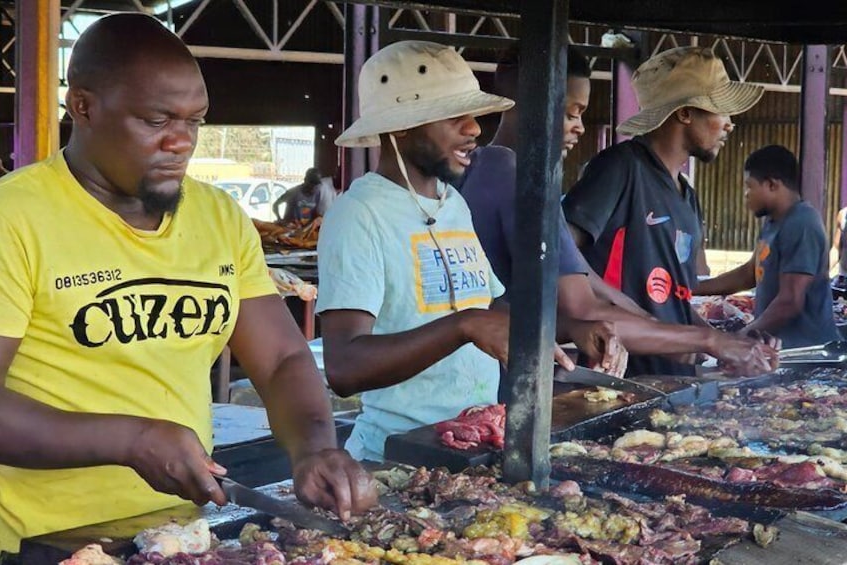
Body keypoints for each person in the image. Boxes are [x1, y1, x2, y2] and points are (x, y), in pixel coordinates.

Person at [0, 14, 374, 552]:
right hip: (46, 541)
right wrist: (132, 440)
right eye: (156, 120)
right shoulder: (15, 217)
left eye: (195, 122)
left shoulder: (218, 216)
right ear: (82, 106)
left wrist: (313, 447)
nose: (181, 142)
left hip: (181, 534)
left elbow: (280, 359)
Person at [317, 40, 587, 462]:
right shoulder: (359, 214)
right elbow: (344, 367)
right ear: (400, 126)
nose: (475, 128)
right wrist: (464, 326)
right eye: (453, 116)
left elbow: (488, 307)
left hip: (472, 445)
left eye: (473, 115)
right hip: (395, 458)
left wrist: (569, 328)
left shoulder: (452, 203)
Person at [460, 45, 779, 377]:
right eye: (571, 113)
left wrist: (719, 341)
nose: (581, 127)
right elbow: (573, 286)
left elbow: (668, 296)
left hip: (646, 362)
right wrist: (700, 337)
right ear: (685, 113)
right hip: (616, 368)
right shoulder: (611, 168)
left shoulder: (686, 194)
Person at [563, 46, 767, 377]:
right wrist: (622, 302)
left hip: (671, 382)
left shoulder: (687, 196)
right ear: (684, 113)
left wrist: (730, 344)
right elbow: (559, 251)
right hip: (618, 377)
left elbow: (676, 300)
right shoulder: (621, 167)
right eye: (721, 111)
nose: (730, 125)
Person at [696, 145, 839, 347]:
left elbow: (790, 301)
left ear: (772, 185)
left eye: (749, 186)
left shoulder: (802, 223)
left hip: (806, 352)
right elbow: (749, 274)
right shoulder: (773, 222)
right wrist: (691, 288)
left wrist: (741, 338)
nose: (746, 194)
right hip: (779, 347)